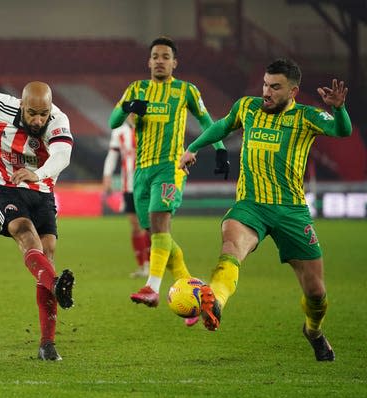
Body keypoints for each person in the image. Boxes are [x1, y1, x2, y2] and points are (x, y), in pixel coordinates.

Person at [178, 58, 351, 361]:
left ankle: (313, 331)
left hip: (292, 212)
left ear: (293, 91)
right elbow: (222, 126)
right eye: (265, 84)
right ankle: (215, 301)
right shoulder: (247, 107)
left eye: (275, 87)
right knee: (231, 247)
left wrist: (339, 108)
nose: (266, 92)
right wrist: (193, 148)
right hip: (251, 206)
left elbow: (341, 131)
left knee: (316, 294)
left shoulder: (307, 117)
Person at [108, 36, 230, 326]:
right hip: (142, 170)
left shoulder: (186, 90)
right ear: (148, 61)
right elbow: (113, 122)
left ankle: (152, 287)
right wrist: (127, 108)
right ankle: (197, 296)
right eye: (155, 56)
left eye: (165, 56)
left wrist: (221, 149)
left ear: (174, 63)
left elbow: (206, 120)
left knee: (160, 225)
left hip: (170, 166)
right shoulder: (136, 89)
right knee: (157, 235)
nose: (160, 60)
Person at [0, 81, 75, 361]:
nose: (38, 120)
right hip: (5, 185)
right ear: (21, 105)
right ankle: (55, 284)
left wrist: (39, 173)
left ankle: (47, 344)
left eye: (43, 114)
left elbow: (63, 155)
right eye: (32, 113)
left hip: (42, 190)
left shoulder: (59, 120)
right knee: (25, 234)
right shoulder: (2, 105)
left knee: (47, 254)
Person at [102, 113, 150, 278]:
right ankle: (143, 266)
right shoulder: (119, 132)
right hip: (128, 185)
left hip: (148, 183)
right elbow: (112, 155)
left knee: (150, 225)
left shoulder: (149, 128)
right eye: (130, 112)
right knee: (135, 226)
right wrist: (107, 177)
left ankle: (152, 265)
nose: (133, 115)